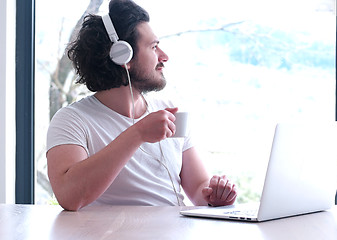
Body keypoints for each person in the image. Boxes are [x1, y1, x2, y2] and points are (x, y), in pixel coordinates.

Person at [46, 0, 237, 211]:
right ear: (122, 55)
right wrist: (137, 134)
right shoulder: (72, 120)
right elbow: (69, 196)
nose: (164, 56)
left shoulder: (170, 111)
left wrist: (215, 195)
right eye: (154, 47)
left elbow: (200, 188)